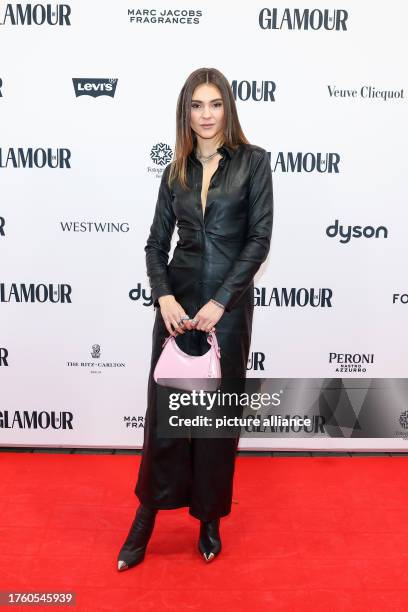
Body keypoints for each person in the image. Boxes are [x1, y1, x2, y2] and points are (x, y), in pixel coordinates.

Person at [117, 67, 273, 570]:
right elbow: (154, 244)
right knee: (166, 421)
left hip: (225, 314)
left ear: (228, 107)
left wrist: (222, 300)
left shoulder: (254, 164)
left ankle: (209, 519)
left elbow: (258, 242)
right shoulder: (175, 169)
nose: (206, 115)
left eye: (215, 104)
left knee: (213, 425)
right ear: (185, 112)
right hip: (177, 310)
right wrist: (163, 298)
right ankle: (145, 516)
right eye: (196, 106)